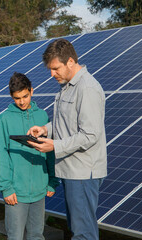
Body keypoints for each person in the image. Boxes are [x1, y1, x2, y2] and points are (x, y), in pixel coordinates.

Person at [27, 39, 107, 240]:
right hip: (72, 170)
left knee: (83, 232)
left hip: (83, 172)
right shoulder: (67, 87)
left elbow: (90, 134)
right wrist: (45, 130)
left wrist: (55, 145)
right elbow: (68, 124)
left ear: (70, 61)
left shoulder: (87, 88)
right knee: (77, 227)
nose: (52, 74)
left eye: (55, 68)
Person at [0, 72, 59, 240]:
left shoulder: (42, 116)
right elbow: (1, 154)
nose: (22, 101)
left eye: (25, 96)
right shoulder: (5, 119)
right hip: (16, 191)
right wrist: (6, 188)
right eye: (17, 98)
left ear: (32, 91)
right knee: (15, 236)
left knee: (37, 235)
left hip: (39, 189)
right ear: (11, 96)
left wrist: (52, 180)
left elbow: (50, 151)